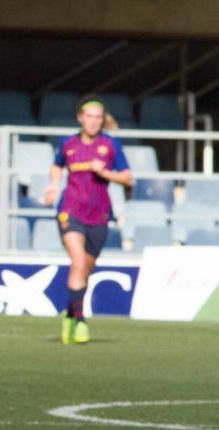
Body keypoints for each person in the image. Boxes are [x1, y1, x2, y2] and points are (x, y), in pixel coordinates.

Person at [42, 96, 131, 344]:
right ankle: (81, 322)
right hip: (70, 210)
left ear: (102, 120)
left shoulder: (110, 144)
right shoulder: (68, 143)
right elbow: (57, 166)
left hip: (99, 214)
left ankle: (70, 313)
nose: (93, 122)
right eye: (89, 117)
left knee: (84, 270)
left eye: (97, 117)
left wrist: (105, 173)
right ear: (80, 118)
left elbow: (127, 178)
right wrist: (53, 185)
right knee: (78, 262)